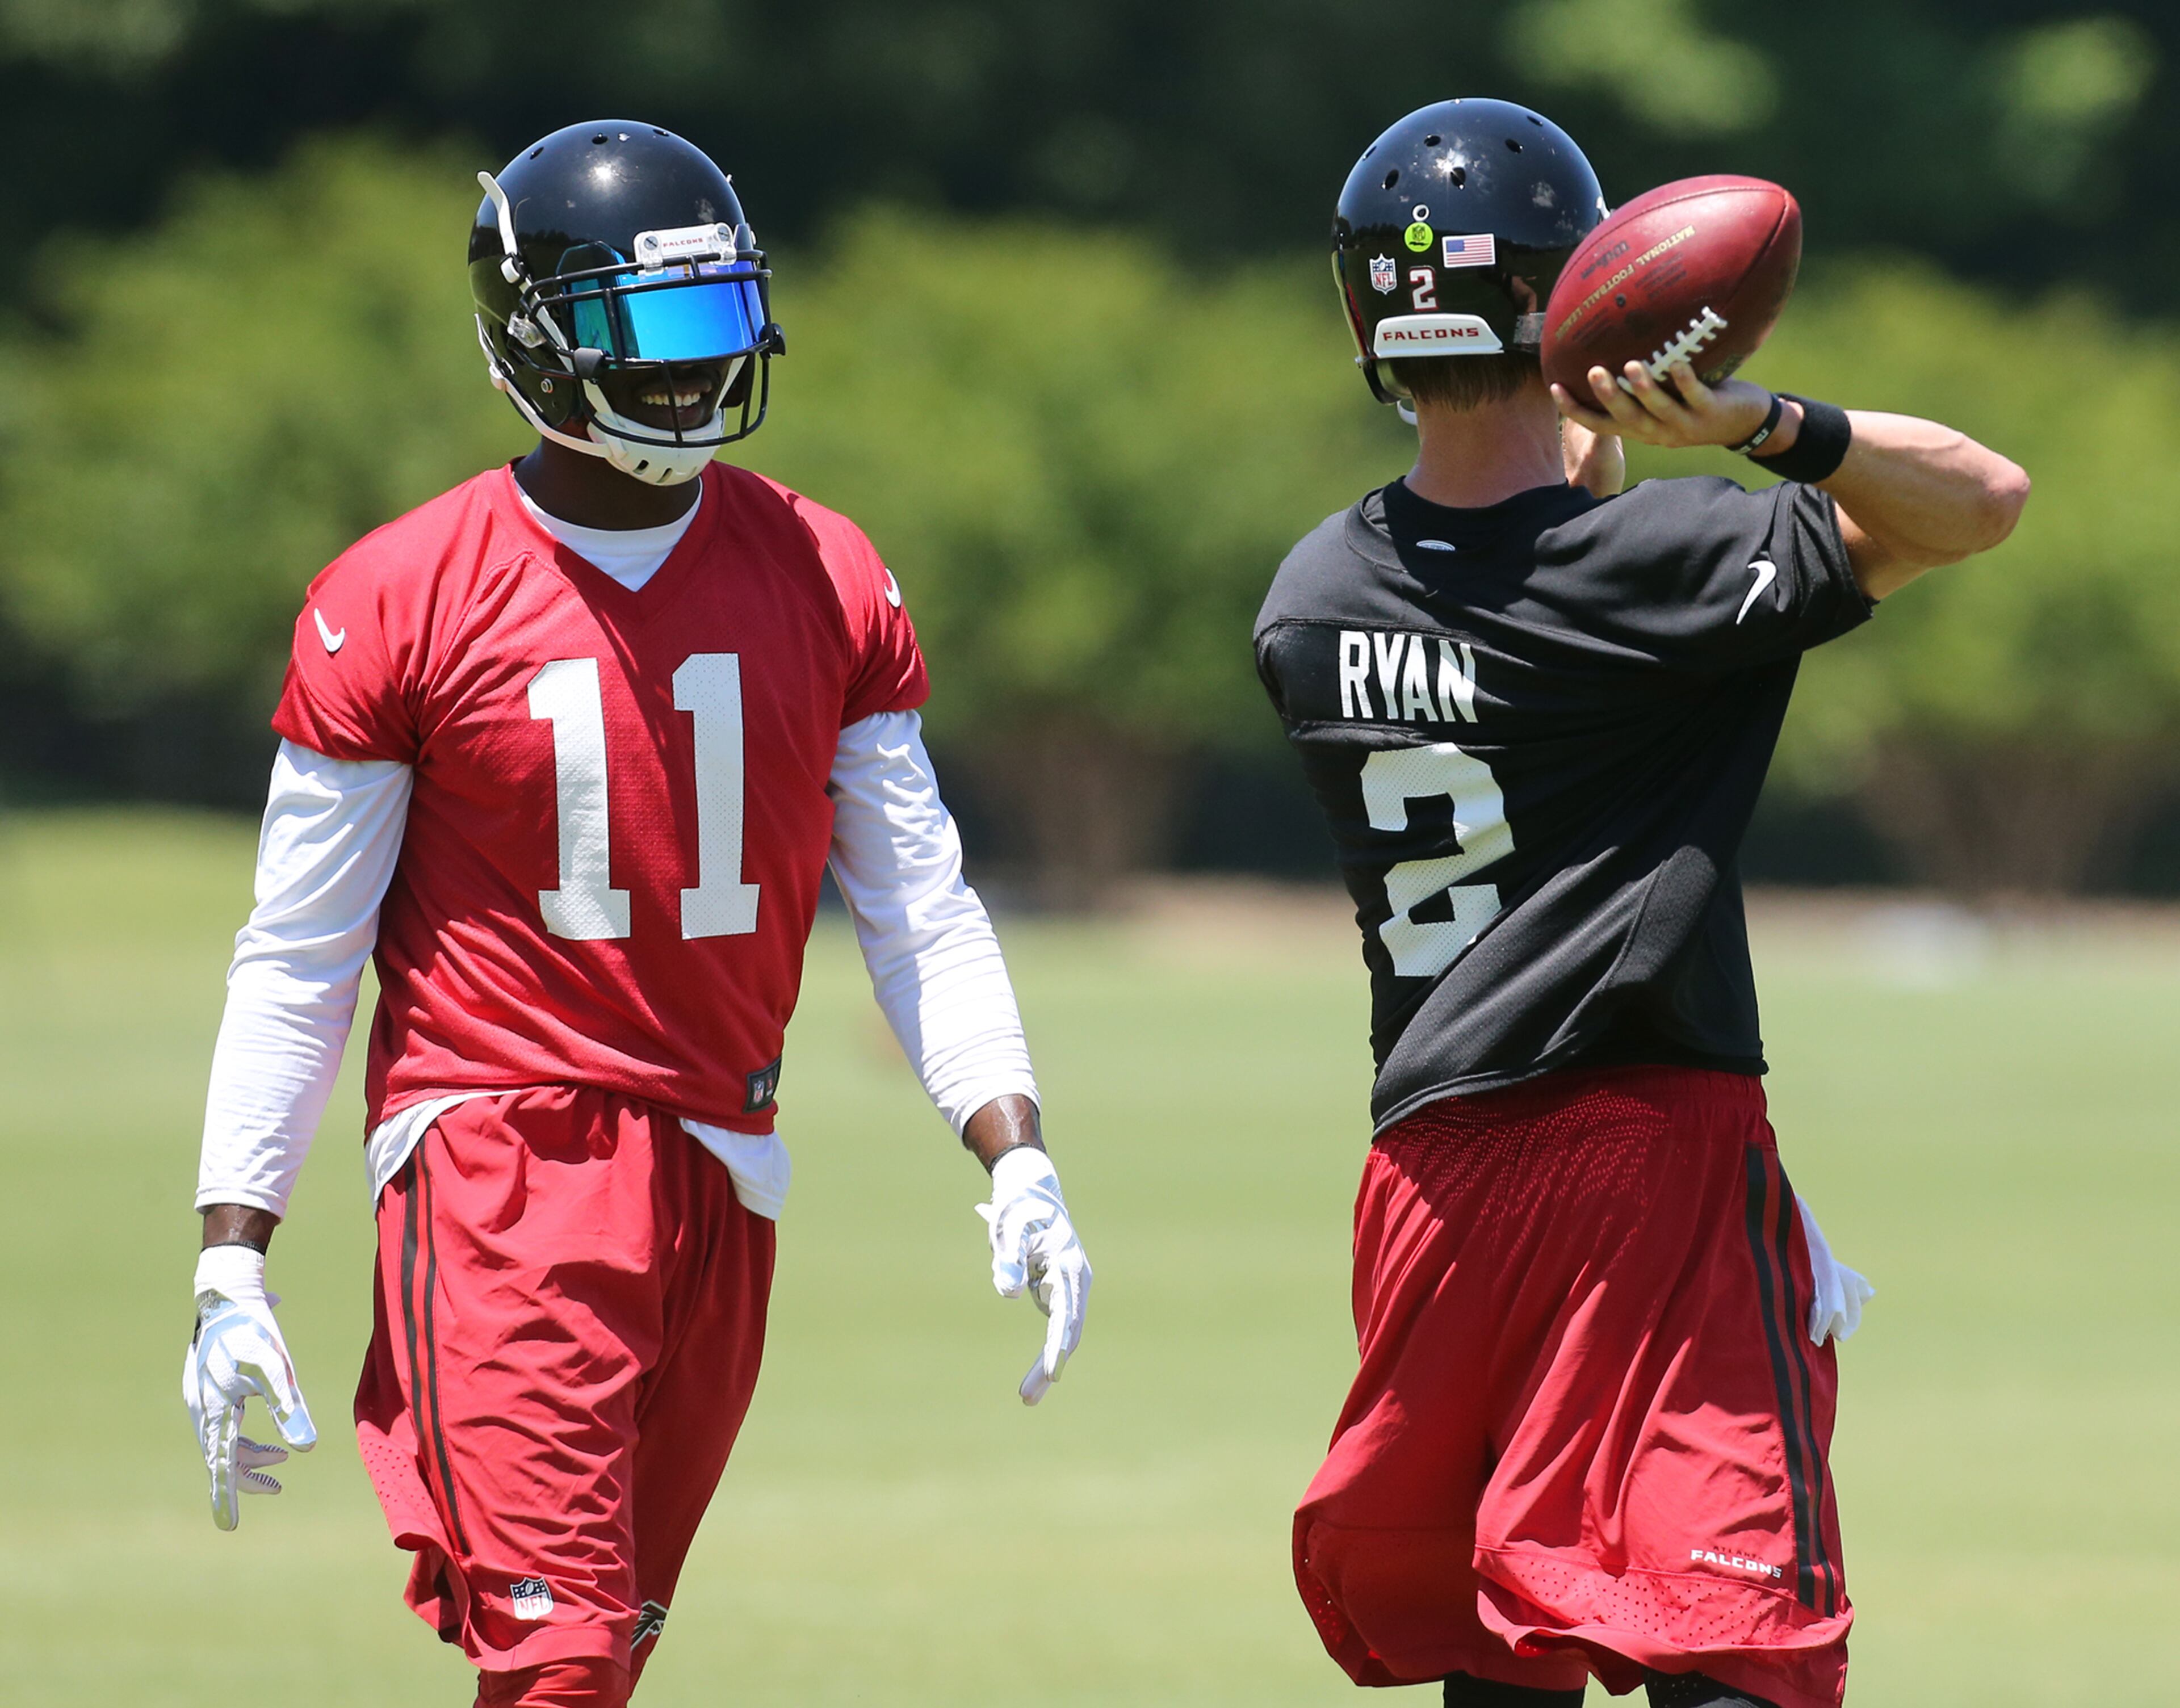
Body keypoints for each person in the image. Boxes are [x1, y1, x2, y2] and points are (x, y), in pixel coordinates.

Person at [181, 120, 1092, 1708]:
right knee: (560, 1655)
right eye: (647, 333)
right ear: (537, 341)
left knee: (605, 1657)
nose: (689, 374)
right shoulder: (402, 591)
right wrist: (230, 1250)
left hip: (724, 1168)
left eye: (717, 324)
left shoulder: (823, 564)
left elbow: (918, 903)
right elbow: (299, 951)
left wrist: (1012, 1146)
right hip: (500, 1162)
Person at [1256, 100, 2026, 1708]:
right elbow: (1979, 499)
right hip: (1640, 1154)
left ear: (1367, 321)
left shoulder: (1312, 596)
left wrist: (1569, 414)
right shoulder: (1661, 568)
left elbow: (1500, 561)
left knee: (1506, 1648)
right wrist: (1754, 420)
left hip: (1427, 1184)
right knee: (1734, 1650)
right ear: (1583, 300)